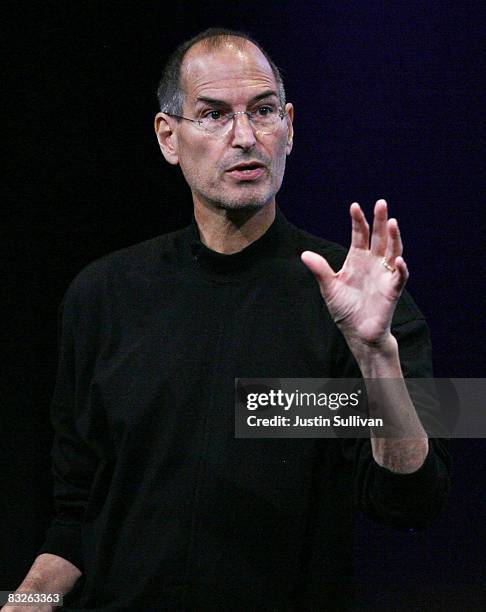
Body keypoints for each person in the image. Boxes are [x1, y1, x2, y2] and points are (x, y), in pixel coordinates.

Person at [5, 28, 451, 611]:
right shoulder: (102, 295)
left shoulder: (363, 297)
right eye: (213, 115)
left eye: (263, 111)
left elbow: (414, 502)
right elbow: (73, 520)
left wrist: (375, 358)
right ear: (168, 137)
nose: (245, 138)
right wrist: (24, 605)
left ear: (289, 127)